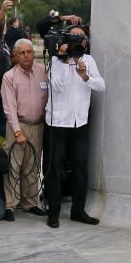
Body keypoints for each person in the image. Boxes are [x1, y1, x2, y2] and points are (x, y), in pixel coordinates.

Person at [43, 25, 104, 228]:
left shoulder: (89, 60)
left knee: (80, 168)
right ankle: (53, 213)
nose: (80, 42)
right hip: (58, 122)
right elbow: (57, 86)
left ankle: (78, 211)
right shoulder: (54, 61)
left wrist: (85, 75)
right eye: (75, 38)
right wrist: (64, 61)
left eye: (82, 38)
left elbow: (100, 86)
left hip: (80, 122)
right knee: (54, 168)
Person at [0, 39, 48, 221]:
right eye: (23, 53)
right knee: (13, 165)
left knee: (32, 165)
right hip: (17, 126)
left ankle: (31, 203)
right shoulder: (9, 77)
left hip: (38, 125)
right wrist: (17, 131)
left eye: (29, 51)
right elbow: (9, 107)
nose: (27, 55)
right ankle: (10, 205)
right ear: (16, 56)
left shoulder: (44, 71)